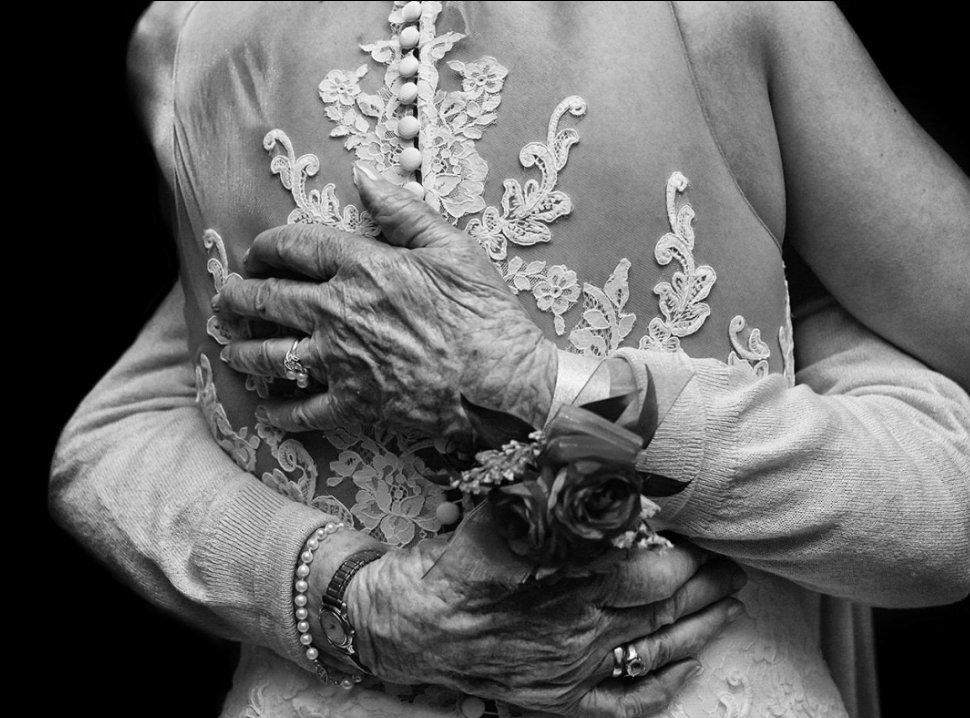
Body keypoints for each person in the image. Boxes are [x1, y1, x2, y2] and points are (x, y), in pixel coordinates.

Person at [50, 2, 969, 717]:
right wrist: (350, 603)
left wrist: (535, 388)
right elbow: (115, 438)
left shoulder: (188, 41)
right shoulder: (186, 46)